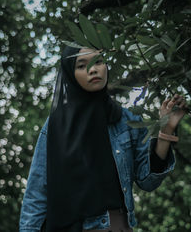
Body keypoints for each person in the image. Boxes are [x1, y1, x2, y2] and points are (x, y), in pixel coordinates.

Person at [19, 46, 186, 232]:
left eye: (98, 61)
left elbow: (148, 181)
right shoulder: (55, 127)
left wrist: (166, 129)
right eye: (82, 65)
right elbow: (36, 196)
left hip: (117, 226)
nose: (93, 69)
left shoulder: (127, 121)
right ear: (70, 74)